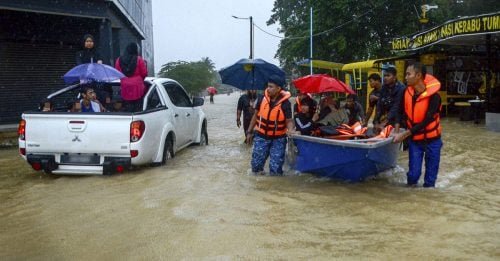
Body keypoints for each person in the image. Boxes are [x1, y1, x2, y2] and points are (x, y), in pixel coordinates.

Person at [393, 61, 443, 187]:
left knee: (430, 182)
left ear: (418, 75)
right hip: (415, 141)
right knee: (413, 175)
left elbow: (427, 121)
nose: (405, 77)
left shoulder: (435, 97)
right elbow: (398, 111)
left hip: (433, 140)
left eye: (408, 74)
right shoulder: (405, 92)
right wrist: (397, 130)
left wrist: (404, 135)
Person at [246, 75, 299, 175]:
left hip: (278, 139)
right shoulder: (262, 99)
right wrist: (249, 132)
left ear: (278, 88)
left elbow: (289, 120)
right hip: (261, 136)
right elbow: (255, 116)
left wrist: (291, 130)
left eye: (271, 87)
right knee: (256, 168)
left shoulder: (285, 104)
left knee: (275, 169)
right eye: (268, 86)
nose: (268, 89)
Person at [115, 42, 148, 112]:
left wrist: (124, 79)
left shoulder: (119, 60)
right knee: (138, 109)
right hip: (138, 87)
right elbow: (144, 73)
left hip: (125, 87)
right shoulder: (139, 59)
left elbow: (117, 72)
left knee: (128, 107)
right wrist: (140, 79)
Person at [374, 67, 405, 133]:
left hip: (399, 121)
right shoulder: (384, 87)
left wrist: (384, 122)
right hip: (387, 118)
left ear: (394, 77)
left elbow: (397, 107)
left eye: (388, 76)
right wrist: (376, 121)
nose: (385, 78)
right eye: (384, 76)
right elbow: (379, 105)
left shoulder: (401, 88)